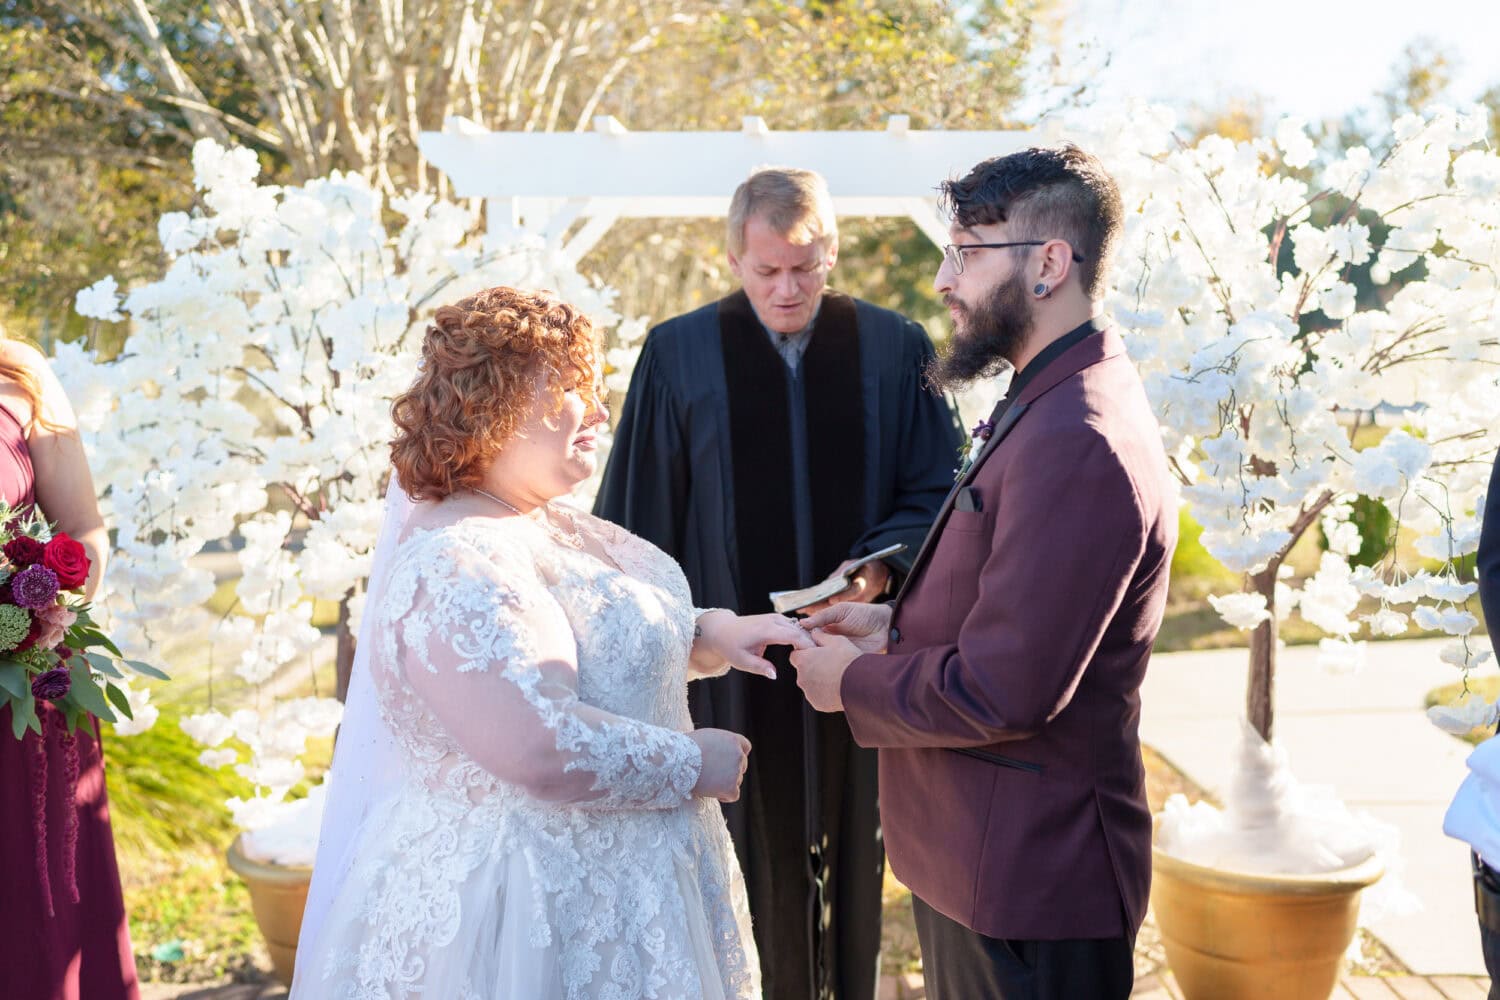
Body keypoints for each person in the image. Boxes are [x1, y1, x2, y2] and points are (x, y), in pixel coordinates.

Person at [292, 286, 815, 999]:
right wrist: (693, 762)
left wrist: (708, 632)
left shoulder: (545, 523)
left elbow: (593, 638)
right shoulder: (453, 561)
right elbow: (537, 743)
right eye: (573, 388)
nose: (600, 411)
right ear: (495, 401)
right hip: (521, 912)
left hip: (630, 894)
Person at [791, 146, 1178, 1000]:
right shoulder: (1046, 398)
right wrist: (891, 627)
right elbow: (1013, 607)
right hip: (980, 864)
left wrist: (852, 683)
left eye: (966, 252)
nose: (941, 280)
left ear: (1048, 264)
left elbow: (1008, 690)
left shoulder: (1081, 438)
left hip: (1032, 885)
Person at [594, 168, 962, 1000]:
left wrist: (874, 573)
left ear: (832, 251)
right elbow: (635, 523)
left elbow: (938, 490)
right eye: (767, 272)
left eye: (807, 267)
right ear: (732, 258)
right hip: (729, 674)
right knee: (736, 857)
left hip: (851, 657)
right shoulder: (677, 354)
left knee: (853, 852)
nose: (788, 289)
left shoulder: (894, 346)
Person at [0, 333, 137, 1000]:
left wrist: (43, 604)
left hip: (23, 696)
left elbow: (83, 533)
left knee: (34, 920)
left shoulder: (20, 378)